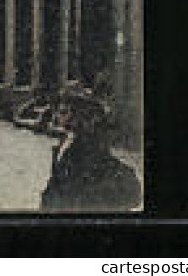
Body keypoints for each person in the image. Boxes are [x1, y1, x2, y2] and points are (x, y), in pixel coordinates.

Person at [40, 81, 141, 212]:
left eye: (63, 112)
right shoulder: (65, 141)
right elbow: (56, 183)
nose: (56, 116)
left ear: (77, 114)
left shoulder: (90, 146)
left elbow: (88, 186)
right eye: (57, 110)